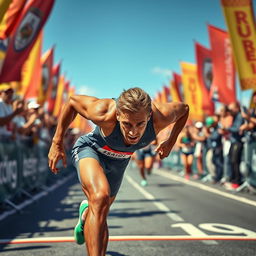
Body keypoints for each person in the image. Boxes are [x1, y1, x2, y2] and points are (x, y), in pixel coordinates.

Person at [48, 87, 189, 256]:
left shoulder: (161, 116)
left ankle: (86, 215)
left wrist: (171, 140)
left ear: (149, 116)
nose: (133, 132)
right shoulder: (104, 112)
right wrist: (57, 142)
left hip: (120, 160)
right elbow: (72, 102)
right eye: (127, 124)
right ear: (118, 115)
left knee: (101, 209)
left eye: (140, 124)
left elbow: (185, 109)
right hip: (91, 150)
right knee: (100, 197)